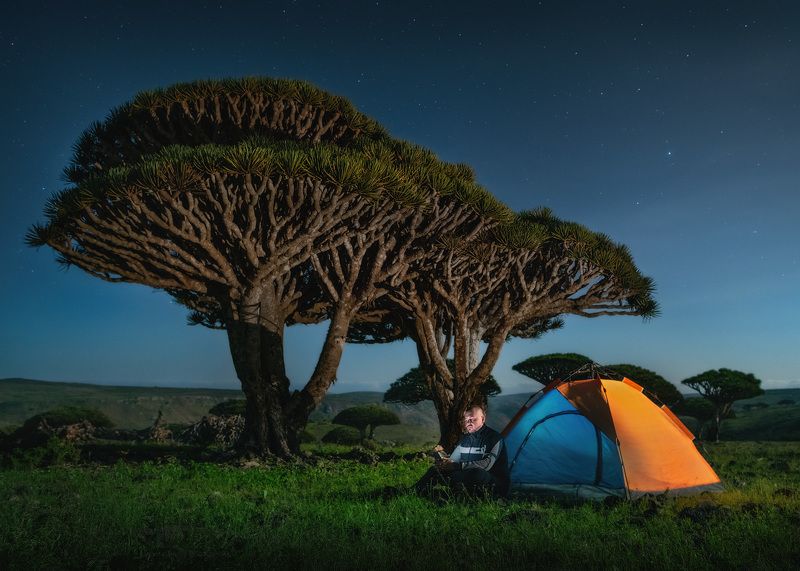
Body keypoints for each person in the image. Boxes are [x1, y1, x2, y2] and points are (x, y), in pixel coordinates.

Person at [414, 402, 509, 498]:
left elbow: (487, 464)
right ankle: (414, 491)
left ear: (483, 419)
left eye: (473, 419)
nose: (469, 422)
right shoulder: (464, 438)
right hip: (467, 475)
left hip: (493, 484)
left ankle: (460, 495)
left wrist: (457, 466)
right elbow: (454, 460)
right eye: (466, 420)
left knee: (477, 473)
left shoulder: (494, 438)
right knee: (436, 469)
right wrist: (445, 463)